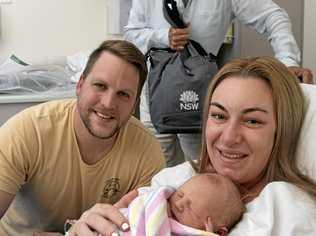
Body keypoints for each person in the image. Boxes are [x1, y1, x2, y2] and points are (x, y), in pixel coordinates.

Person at [69, 56, 316, 236]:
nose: (228, 137)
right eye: (219, 115)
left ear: (281, 130)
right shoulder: (175, 179)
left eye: (252, 121)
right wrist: (85, 227)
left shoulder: (286, 209)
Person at [0, 40, 165, 235]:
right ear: (80, 85)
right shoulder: (28, 131)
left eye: (123, 94)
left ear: (135, 103)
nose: (108, 103)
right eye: (100, 86)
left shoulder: (148, 152)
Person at [124, 0, 314, 167]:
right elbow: (131, 35)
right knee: (157, 156)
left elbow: (273, 16)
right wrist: (164, 37)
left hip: (199, 88)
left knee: (203, 161)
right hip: (157, 88)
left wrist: (288, 61)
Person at [120, 173, 244, 236]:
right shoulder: (158, 199)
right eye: (180, 194)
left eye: (191, 208)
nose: (179, 204)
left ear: (219, 232)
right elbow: (135, 197)